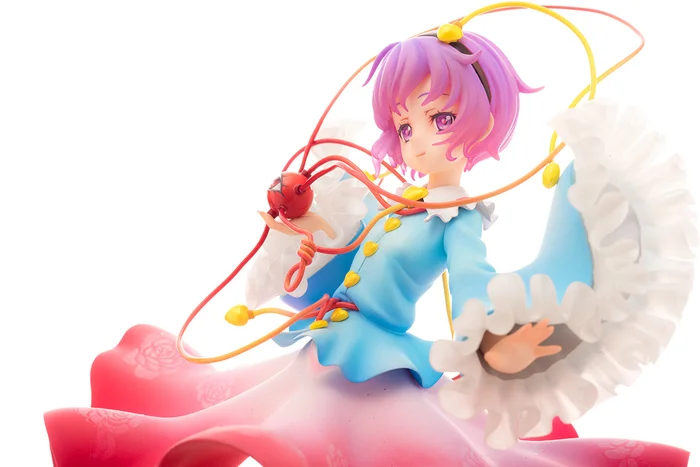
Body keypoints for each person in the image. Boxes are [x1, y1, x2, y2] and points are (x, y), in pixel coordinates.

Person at [44, 6, 695, 467]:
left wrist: (501, 342)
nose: (419, 139)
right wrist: (309, 233)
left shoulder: (458, 218)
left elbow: (473, 291)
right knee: (236, 414)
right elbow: (349, 264)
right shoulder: (399, 205)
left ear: (482, 121)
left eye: (440, 118)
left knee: (344, 443)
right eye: (406, 126)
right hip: (329, 349)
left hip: (377, 368)